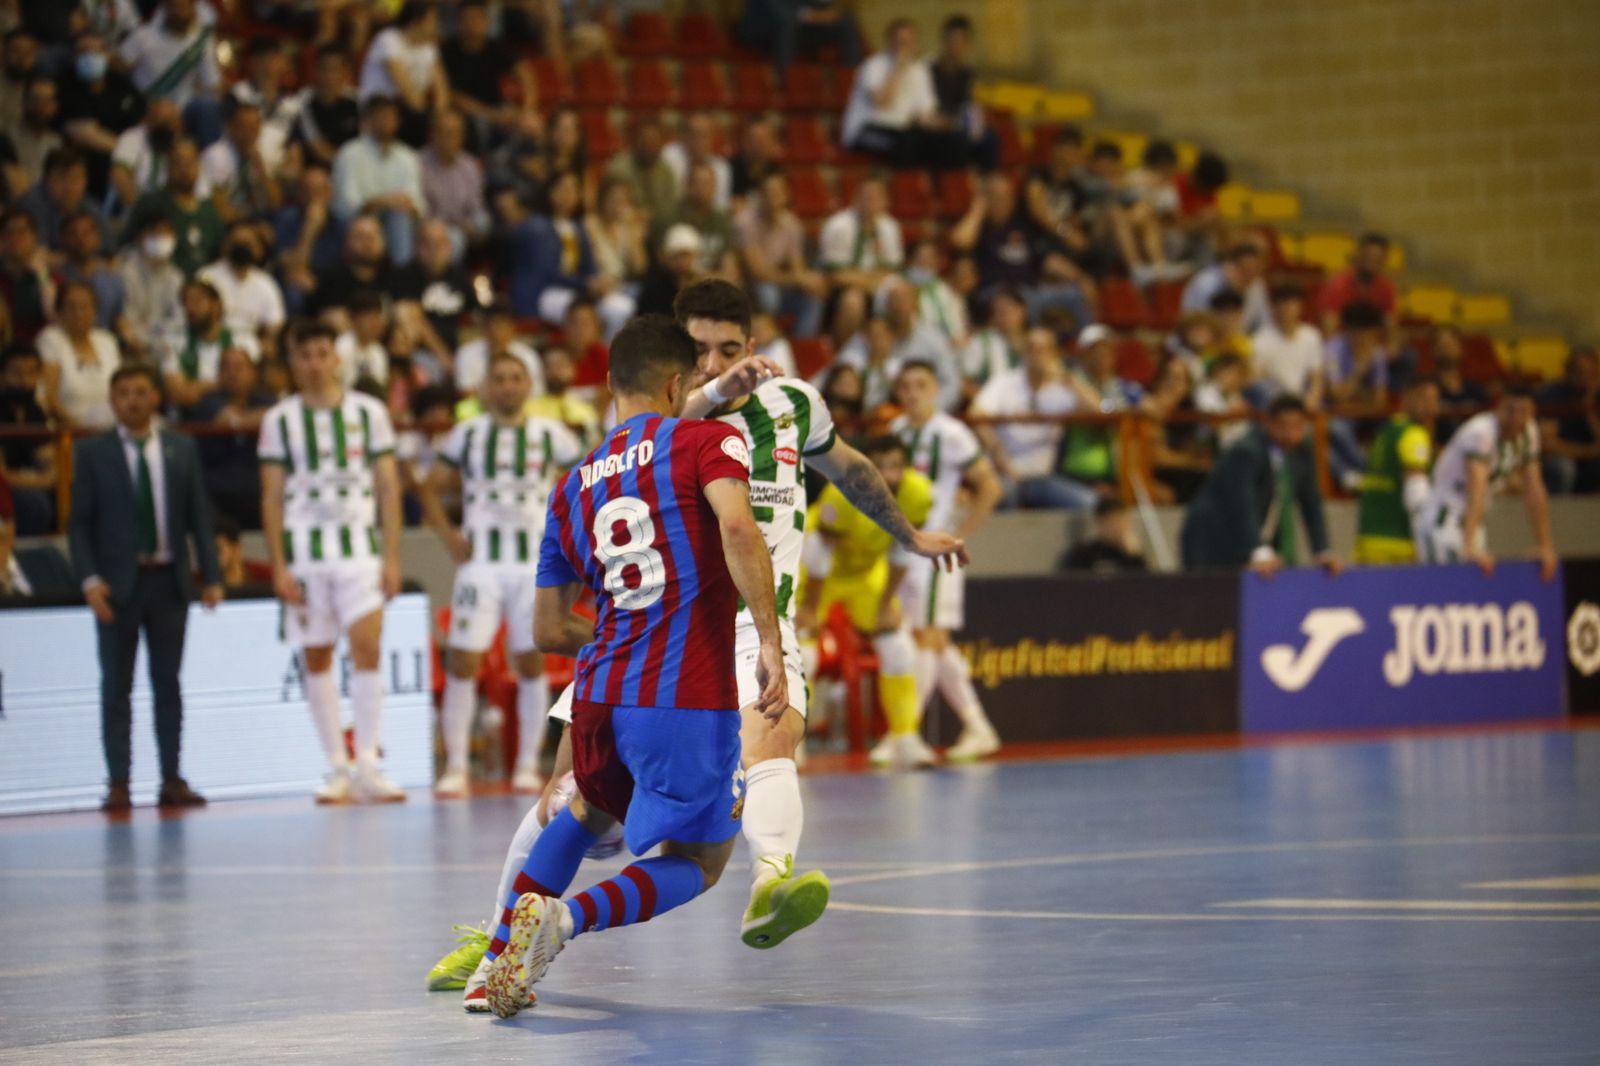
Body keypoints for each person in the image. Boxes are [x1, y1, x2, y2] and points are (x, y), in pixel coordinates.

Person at [443, 281, 966, 1010]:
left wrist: (906, 535)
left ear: (753, 347)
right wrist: (715, 391)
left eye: (729, 349)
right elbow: (725, 516)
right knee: (615, 820)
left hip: (647, 645)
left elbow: (845, 467)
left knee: (712, 763)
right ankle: (520, 931)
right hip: (682, 650)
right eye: (699, 356)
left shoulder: (757, 418)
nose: (715, 364)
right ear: (679, 370)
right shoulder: (697, 433)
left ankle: (769, 878)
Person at [481, 313, 786, 1020]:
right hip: (683, 692)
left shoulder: (572, 484)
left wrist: (622, 636)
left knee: (587, 809)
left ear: (610, 384)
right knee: (702, 861)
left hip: (598, 692)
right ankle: (561, 923)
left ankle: (498, 958)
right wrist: (767, 637)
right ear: (680, 383)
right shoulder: (708, 439)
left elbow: (549, 627)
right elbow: (738, 527)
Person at [419, 354, 582, 798]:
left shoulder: (552, 434)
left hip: (533, 564)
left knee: (530, 661)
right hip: (481, 565)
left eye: (515, 378)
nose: (507, 386)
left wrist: (569, 541)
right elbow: (430, 486)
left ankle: (527, 765)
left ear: (529, 384)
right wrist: (449, 536)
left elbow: (584, 487)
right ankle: (455, 767)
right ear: (485, 388)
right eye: (499, 378)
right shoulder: (467, 434)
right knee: (463, 660)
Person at [258, 319, 406, 804]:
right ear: (295, 363)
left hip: (360, 552)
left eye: (323, 353)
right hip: (305, 555)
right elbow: (272, 496)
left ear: (336, 358)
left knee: (368, 645)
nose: (316, 363)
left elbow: (388, 487)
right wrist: (278, 564)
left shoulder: (370, 413)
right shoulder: (279, 420)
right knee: (317, 654)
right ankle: (335, 768)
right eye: (306, 355)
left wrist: (391, 556)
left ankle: (368, 763)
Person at [68, 363, 223, 811]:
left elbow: (198, 517)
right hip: (117, 585)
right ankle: (118, 782)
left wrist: (210, 575)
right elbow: (78, 525)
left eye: (141, 392)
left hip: (169, 581)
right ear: (113, 400)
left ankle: (172, 778)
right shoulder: (93, 453)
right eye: (124, 393)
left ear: (156, 397)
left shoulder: (180, 447)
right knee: (116, 685)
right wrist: (90, 579)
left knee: (167, 684)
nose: (133, 400)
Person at [798, 435, 936, 768]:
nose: (889, 474)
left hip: (864, 575)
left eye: (896, 466)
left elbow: (903, 547)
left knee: (898, 647)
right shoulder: (842, 493)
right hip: (815, 574)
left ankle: (904, 738)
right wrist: (810, 609)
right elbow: (820, 553)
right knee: (804, 654)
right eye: (881, 466)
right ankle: (794, 743)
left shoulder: (918, 493)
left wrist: (887, 603)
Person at [890, 360, 1004, 761]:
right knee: (929, 640)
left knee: (928, 637)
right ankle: (977, 726)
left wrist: (961, 535)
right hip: (902, 548)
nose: (912, 393)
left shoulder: (951, 433)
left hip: (934, 551)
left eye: (920, 384)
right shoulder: (896, 433)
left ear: (936, 389)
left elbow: (990, 486)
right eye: (904, 385)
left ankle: (904, 733)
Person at [1180, 395, 1339, 575]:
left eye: (1297, 427)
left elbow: (1311, 502)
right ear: (1267, 422)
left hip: (1253, 540)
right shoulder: (1246, 451)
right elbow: (1242, 504)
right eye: (1283, 426)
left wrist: (1322, 551)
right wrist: (1257, 550)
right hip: (1211, 539)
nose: (1290, 434)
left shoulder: (1302, 451)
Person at [1419, 386, 1557, 580]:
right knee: (1449, 586)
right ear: (1498, 407)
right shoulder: (1481, 431)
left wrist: (1545, 546)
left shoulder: (1529, 432)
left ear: (1532, 413)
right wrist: (1469, 545)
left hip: (1473, 522)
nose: (1516, 418)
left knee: (1472, 589)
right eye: (1510, 410)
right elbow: (1476, 488)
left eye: (1523, 412)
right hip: (1444, 517)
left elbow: (1534, 489)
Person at [950, 172, 1094, 333]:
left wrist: (1080, 277)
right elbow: (959, 242)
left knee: (1075, 294)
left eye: (1007, 197)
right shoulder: (979, 227)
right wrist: (978, 209)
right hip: (995, 294)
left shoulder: (1022, 226)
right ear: (986, 199)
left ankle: (1086, 344)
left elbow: (1047, 260)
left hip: (1030, 291)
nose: (1003, 202)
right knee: (1021, 305)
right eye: (997, 197)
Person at [971, 325, 1087, 509]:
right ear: (1023, 352)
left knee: (1087, 502)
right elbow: (976, 415)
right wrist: (999, 453)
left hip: (1043, 479)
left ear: (1054, 354)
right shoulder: (1004, 382)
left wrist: (1066, 377)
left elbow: (1096, 409)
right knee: (1001, 495)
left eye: (1043, 349)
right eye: (1031, 348)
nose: (1036, 355)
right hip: (1005, 475)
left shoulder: (1062, 388)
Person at [839, 19, 961, 170]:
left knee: (950, 144)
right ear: (889, 43)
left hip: (900, 132)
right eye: (899, 42)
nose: (903, 47)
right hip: (866, 130)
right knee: (906, 144)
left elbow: (925, 116)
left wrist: (950, 125)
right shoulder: (873, 65)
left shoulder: (919, 71)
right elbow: (882, 102)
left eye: (908, 42)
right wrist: (898, 69)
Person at [1354, 376, 1440, 565]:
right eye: (1424, 399)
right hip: (1400, 541)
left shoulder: (1387, 430)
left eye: (1435, 400)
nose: (1432, 408)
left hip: (1369, 535)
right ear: (1406, 398)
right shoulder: (1414, 434)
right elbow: (1416, 493)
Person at [332, 95, 423, 267]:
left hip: (395, 222)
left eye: (391, 116)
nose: (386, 121)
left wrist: (397, 204)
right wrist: (384, 202)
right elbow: (347, 206)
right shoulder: (349, 153)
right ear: (367, 121)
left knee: (401, 217)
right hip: (354, 223)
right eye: (380, 116)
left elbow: (416, 203)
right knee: (372, 225)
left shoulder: (408, 157)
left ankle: (401, 277)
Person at [190, 343, 274, 527]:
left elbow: (278, 415)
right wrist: (258, 418)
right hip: (217, 492)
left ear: (253, 373)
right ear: (218, 374)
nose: (232, 373)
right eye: (226, 367)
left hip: (258, 491)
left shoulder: (267, 398)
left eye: (239, 367)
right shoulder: (207, 401)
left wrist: (243, 419)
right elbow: (228, 420)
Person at [57, 31, 144, 203]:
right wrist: (127, 150)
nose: (90, 57)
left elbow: (142, 120)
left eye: (96, 52)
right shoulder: (66, 84)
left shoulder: (120, 83)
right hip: (89, 159)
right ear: (74, 57)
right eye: (83, 52)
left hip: (126, 156)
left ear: (107, 55)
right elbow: (83, 132)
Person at [118, 0, 222, 139]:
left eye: (185, 7)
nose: (180, 13)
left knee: (208, 107)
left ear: (193, 10)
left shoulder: (202, 43)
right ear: (165, 9)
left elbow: (212, 85)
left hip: (181, 113)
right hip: (144, 107)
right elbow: (119, 66)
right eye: (175, 7)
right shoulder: (143, 36)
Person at [122, 137, 223, 276]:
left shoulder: (209, 209)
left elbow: (218, 255)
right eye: (178, 163)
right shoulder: (151, 203)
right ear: (168, 166)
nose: (185, 170)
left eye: (190, 163)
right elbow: (128, 245)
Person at [357, 1, 448, 148]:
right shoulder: (387, 40)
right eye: (432, 20)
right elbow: (408, 93)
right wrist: (431, 120)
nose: (437, 25)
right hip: (379, 109)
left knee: (450, 124)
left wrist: (440, 117)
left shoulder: (429, 46)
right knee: (418, 120)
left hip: (409, 111)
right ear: (414, 23)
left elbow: (442, 89)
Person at [162, 277, 259, 413]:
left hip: (236, 412)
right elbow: (178, 395)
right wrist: (225, 385)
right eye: (185, 302)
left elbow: (252, 385)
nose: (190, 308)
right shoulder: (174, 341)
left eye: (197, 301)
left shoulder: (241, 338)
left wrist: (197, 387)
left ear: (216, 304)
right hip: (190, 419)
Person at [38, 280, 119, 431]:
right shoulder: (50, 339)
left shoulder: (107, 341)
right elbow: (49, 398)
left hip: (110, 428)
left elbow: (120, 389)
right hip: (69, 430)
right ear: (59, 311)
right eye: (71, 307)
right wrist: (81, 430)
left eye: (85, 307)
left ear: (95, 311)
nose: (78, 313)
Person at [198, 223, 284, 356]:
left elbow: (275, 326)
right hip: (212, 343)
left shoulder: (266, 283)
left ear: (258, 250)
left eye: (247, 244)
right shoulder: (206, 277)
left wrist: (266, 342)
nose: (242, 248)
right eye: (237, 243)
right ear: (226, 246)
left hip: (252, 347)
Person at [928, 15, 998, 171]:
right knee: (955, 140)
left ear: (967, 44)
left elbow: (971, 106)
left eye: (961, 42)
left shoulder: (968, 75)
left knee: (991, 139)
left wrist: (976, 125)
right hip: (937, 128)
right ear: (944, 41)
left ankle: (985, 181)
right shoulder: (929, 71)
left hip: (959, 126)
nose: (956, 46)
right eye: (952, 41)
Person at [0, 342, 57, 534]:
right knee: (35, 503)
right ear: (2, 376)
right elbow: (2, 475)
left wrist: (54, 474)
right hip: (6, 488)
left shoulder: (34, 411)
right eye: (16, 373)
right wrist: (44, 481)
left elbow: (46, 456)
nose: (25, 380)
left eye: (32, 373)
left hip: (30, 480)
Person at [819, 174, 903, 298]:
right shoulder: (837, 225)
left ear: (886, 201)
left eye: (875, 197)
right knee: (853, 300)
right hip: (842, 288)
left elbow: (892, 269)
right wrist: (870, 285)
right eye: (866, 196)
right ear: (855, 198)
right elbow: (836, 275)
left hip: (879, 284)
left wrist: (875, 284)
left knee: (902, 293)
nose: (870, 202)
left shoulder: (891, 227)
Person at [198, 95, 279, 222]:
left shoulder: (265, 154)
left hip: (259, 220)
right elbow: (219, 208)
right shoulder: (215, 155)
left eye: (254, 128)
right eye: (243, 127)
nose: (249, 133)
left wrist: (262, 172)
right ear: (231, 127)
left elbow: (276, 204)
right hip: (225, 223)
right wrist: (246, 225)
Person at [420, 108, 489, 255]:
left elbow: (476, 206)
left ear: (462, 137)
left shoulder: (470, 165)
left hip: (463, 224)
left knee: (484, 223)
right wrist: (450, 225)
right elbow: (420, 213)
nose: (448, 139)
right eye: (442, 133)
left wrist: (472, 223)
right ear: (432, 135)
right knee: (454, 238)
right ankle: (449, 278)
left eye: (453, 134)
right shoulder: (418, 164)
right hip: (432, 227)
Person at [1537, 348, 1600, 495]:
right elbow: (1549, 444)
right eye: (1579, 372)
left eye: (1591, 373)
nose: (1585, 377)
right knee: (1564, 467)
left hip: (1589, 459)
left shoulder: (1596, 396)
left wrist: (1589, 409)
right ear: (1568, 371)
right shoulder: (1552, 395)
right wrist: (1590, 451)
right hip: (1561, 458)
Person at [1251, 282, 1324, 407]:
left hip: (1303, 401)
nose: (1287, 309)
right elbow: (1256, 376)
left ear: (1300, 306)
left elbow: (1316, 379)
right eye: (1283, 304)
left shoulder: (1311, 336)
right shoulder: (1260, 339)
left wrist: (1309, 404)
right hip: (1274, 403)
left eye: (1292, 303)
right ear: (1274, 307)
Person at [453, 299, 542, 397]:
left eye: (502, 324)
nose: (496, 330)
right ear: (483, 327)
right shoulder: (466, 353)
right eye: (492, 324)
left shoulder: (529, 355)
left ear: (513, 327)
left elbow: (535, 393)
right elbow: (466, 392)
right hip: (480, 410)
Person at [293, 45, 361, 170]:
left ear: (346, 72)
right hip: (319, 169)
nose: (328, 75)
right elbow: (318, 147)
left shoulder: (360, 101)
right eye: (323, 69)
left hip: (354, 166)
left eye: (334, 69)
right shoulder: (304, 100)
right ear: (315, 71)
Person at [602, 113, 678, 224]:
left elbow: (671, 208)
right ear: (635, 142)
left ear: (660, 144)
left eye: (653, 142)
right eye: (645, 142)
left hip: (658, 227)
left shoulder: (665, 171)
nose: (649, 147)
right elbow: (611, 206)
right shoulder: (619, 168)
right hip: (624, 225)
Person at [1181, 243, 1270, 334]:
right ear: (1228, 266)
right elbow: (1191, 329)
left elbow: (1263, 324)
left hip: (1240, 342)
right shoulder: (1204, 285)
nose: (1249, 277)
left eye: (1254, 271)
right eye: (1244, 270)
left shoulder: (1256, 284)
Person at [1320, 233, 1397, 337]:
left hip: (1371, 344)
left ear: (1383, 261)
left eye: (1377, 259)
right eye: (1368, 257)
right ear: (1359, 255)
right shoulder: (1339, 284)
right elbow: (1329, 325)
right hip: (1343, 342)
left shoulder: (1386, 288)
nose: (1371, 263)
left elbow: (1390, 325)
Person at [960, 286, 1028, 400]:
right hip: (993, 411)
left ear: (1023, 311)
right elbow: (964, 382)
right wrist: (986, 401)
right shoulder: (981, 342)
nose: (1004, 315)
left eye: (1009, 309)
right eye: (998, 311)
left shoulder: (1036, 341)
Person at [1060, 498, 1148, 573]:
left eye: (1122, 520)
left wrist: (1134, 557)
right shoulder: (1083, 554)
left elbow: (1142, 586)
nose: (1118, 527)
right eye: (1113, 521)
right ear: (1099, 522)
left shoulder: (1131, 555)